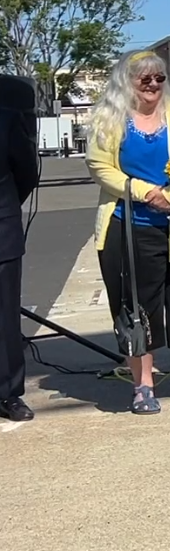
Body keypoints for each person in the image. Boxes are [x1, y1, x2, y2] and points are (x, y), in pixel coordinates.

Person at [85, 50, 170, 414]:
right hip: (131, 226)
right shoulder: (108, 118)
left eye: (159, 78)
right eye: (145, 79)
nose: (153, 85)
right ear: (126, 81)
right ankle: (143, 384)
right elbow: (100, 166)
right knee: (136, 306)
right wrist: (147, 193)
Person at [0, 104, 39, 422]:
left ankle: (9, 393)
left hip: (2, 231)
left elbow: (26, 173)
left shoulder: (6, 116)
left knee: (5, 319)